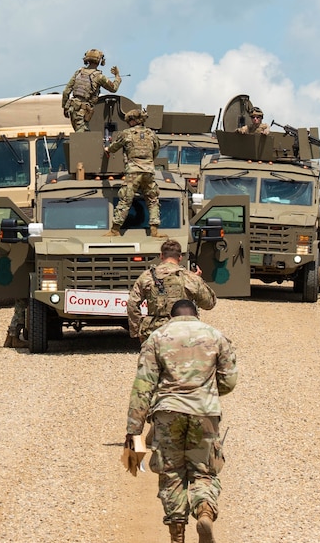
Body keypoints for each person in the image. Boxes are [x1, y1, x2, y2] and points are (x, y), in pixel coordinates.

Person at [124, 298, 237, 543]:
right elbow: (229, 380)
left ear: (171, 316)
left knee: (171, 472)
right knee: (203, 470)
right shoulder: (216, 336)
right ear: (196, 314)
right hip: (205, 413)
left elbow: (143, 386)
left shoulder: (157, 337)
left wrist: (134, 430)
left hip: (168, 413)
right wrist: (207, 393)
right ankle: (205, 511)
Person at [127, 237, 215, 340]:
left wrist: (138, 329)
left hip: (154, 333)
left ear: (161, 256)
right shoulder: (190, 278)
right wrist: (198, 280)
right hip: (184, 332)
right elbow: (209, 303)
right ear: (180, 257)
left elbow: (132, 304)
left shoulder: (147, 276)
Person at [108, 106, 160, 234]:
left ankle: (115, 229)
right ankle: (154, 229)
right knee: (152, 199)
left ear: (132, 121)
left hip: (133, 171)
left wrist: (107, 150)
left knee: (125, 199)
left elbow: (114, 147)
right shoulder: (151, 134)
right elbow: (156, 150)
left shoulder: (126, 133)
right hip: (149, 171)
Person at [62, 49, 121, 131]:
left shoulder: (78, 72)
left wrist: (65, 107)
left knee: (83, 135)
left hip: (73, 109)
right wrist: (117, 76)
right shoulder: (99, 77)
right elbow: (114, 88)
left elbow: (66, 92)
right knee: (84, 138)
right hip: (83, 111)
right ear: (99, 61)